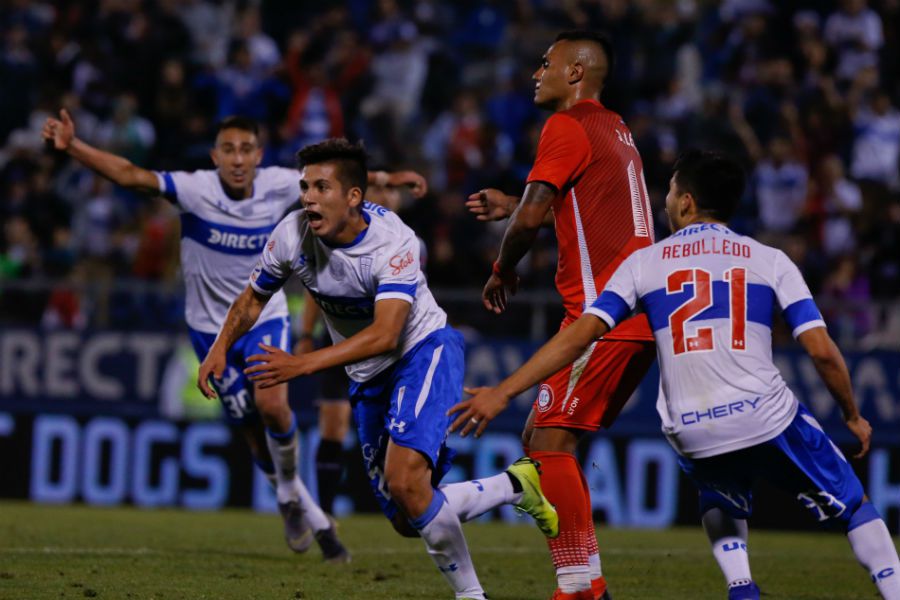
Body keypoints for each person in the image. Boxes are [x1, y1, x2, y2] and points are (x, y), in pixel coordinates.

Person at [452, 149, 900, 600]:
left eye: (668, 191)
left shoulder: (645, 264)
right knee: (856, 507)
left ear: (686, 202)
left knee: (718, 487)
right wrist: (852, 415)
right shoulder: (770, 260)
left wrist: (505, 392)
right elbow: (821, 352)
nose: (664, 201)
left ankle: (741, 586)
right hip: (764, 415)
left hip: (690, 429)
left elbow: (578, 338)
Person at [40, 110, 425, 561]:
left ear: (258, 156)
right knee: (249, 429)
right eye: (229, 149)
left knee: (273, 405)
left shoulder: (282, 183)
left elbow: (338, 182)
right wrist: (75, 146)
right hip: (210, 328)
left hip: (264, 316)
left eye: (246, 150)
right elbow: (131, 175)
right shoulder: (194, 189)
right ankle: (296, 501)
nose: (238, 159)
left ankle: (288, 496)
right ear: (214, 156)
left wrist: (385, 176)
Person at [197, 138, 559, 600]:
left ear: (353, 197)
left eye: (321, 186)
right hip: (367, 376)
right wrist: (219, 348)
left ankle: (472, 596)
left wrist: (303, 363)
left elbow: (388, 334)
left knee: (405, 482)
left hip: (422, 350)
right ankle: (513, 484)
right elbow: (252, 297)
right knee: (409, 514)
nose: (307, 196)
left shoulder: (394, 242)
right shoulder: (291, 234)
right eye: (304, 185)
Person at [467, 30, 656, 600]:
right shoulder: (616, 128)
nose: (535, 73)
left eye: (545, 63)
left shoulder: (565, 126)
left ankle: (580, 588)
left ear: (576, 72)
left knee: (549, 446)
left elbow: (527, 221)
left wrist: (503, 267)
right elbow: (590, 212)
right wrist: (519, 203)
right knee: (544, 442)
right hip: (636, 316)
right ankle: (588, 580)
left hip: (602, 318)